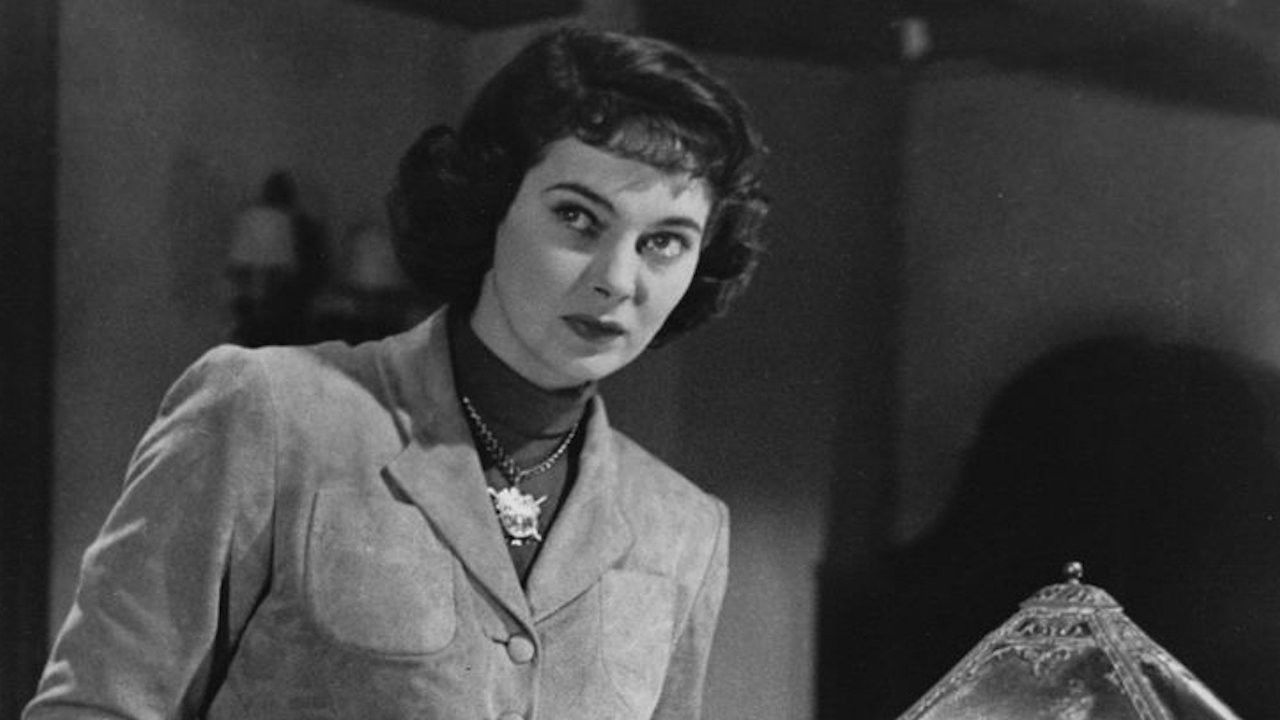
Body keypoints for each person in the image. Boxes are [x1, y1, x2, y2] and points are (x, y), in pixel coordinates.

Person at [25, 26, 768, 720]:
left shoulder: (685, 528)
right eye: (578, 218)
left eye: (665, 242)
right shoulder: (270, 413)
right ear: (491, 206)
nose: (617, 279)